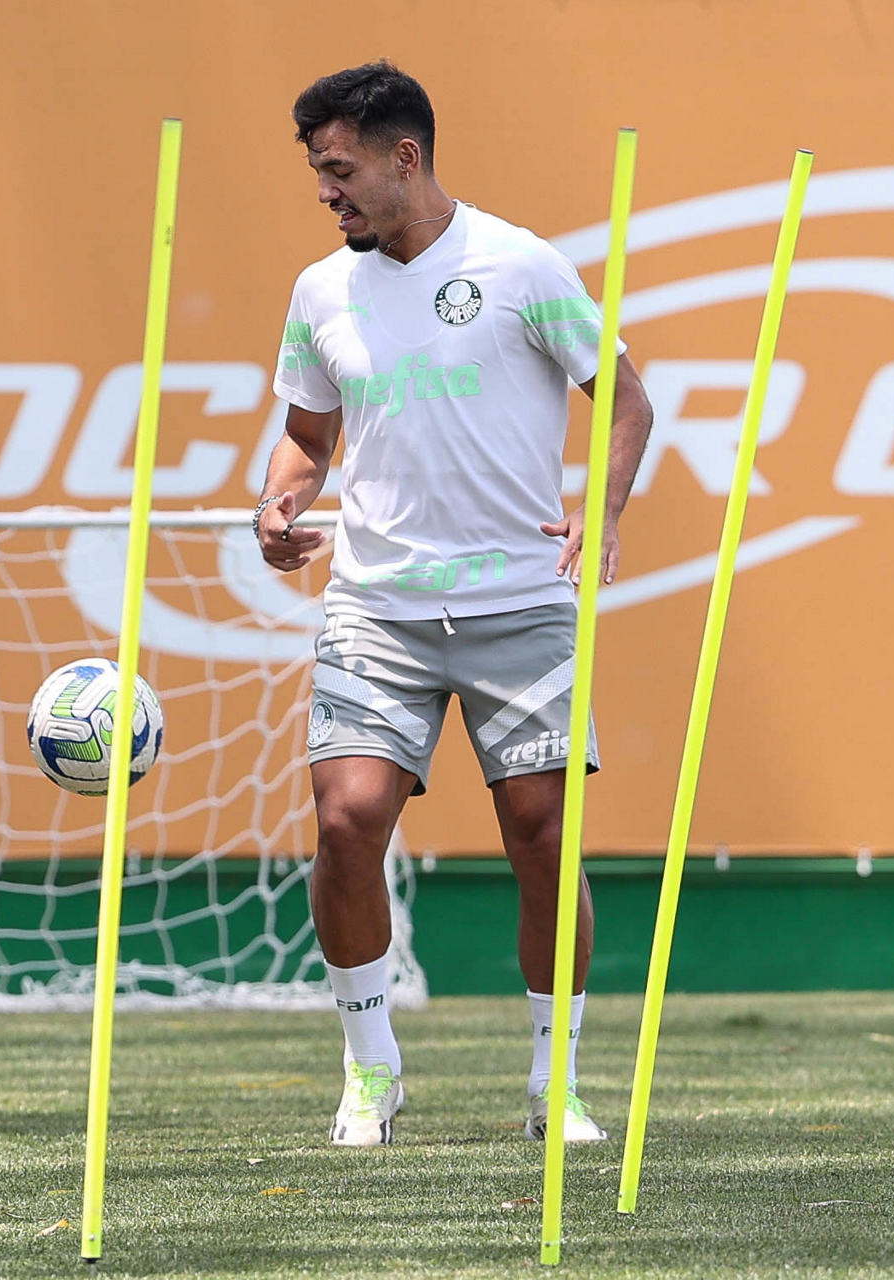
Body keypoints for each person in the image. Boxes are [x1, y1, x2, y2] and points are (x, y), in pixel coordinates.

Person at [257, 60, 653, 1147]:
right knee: (346, 822)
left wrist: (601, 510)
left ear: (406, 156)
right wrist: (279, 501)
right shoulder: (320, 290)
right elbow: (307, 437)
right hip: (376, 606)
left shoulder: (521, 265)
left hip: (519, 601)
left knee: (541, 836)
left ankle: (553, 1082)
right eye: (318, 174)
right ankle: (370, 1070)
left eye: (340, 170)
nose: (326, 192)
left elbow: (625, 398)